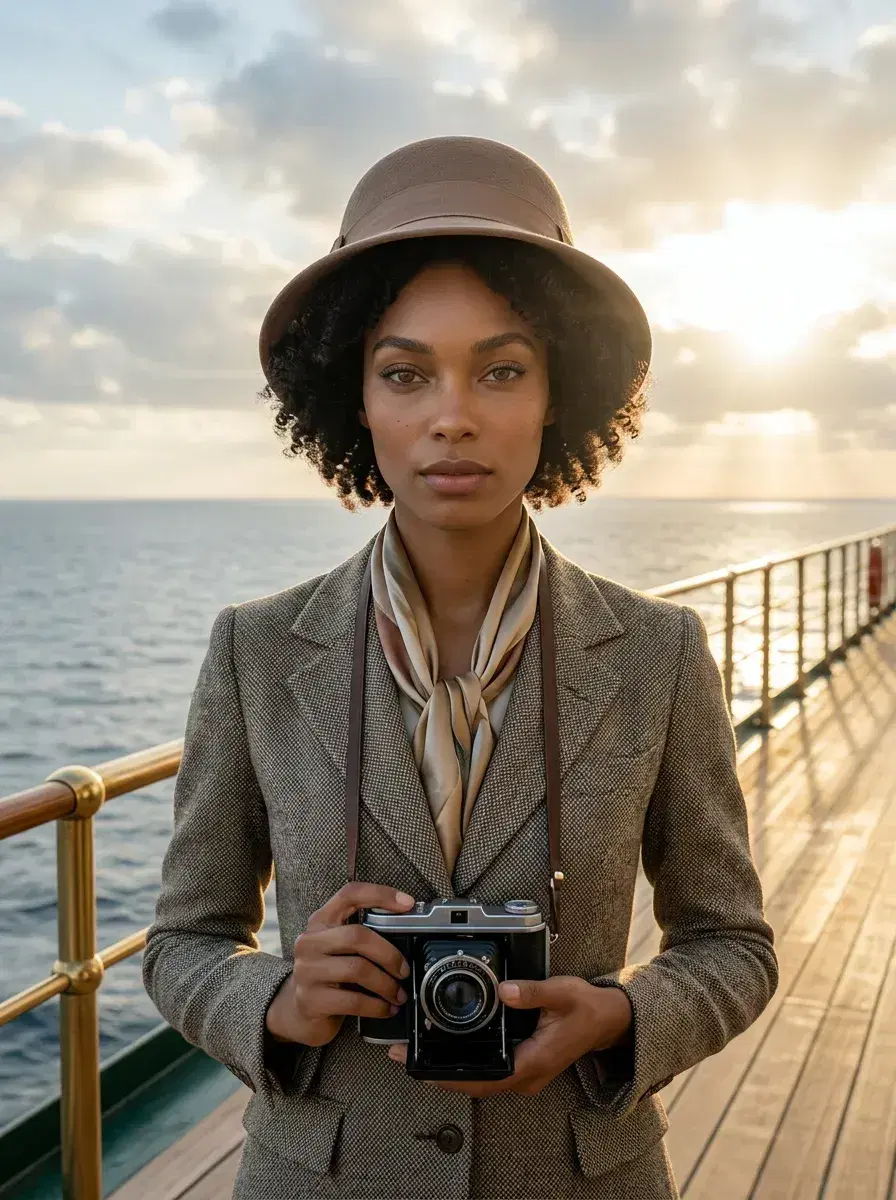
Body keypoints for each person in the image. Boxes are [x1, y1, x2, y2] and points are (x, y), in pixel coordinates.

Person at [142, 136, 778, 1200]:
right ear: (354, 397)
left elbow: (732, 944)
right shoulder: (256, 651)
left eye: (501, 370)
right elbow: (183, 942)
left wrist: (620, 1017)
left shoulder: (658, 654)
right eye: (404, 373)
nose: (453, 415)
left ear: (557, 391)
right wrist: (277, 1002)